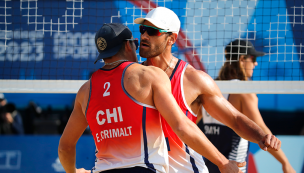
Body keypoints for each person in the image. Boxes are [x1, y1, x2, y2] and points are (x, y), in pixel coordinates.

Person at [58, 23, 250, 173]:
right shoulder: (148, 75)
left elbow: (65, 147)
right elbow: (181, 126)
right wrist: (223, 162)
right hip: (144, 169)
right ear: (128, 45)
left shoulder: (86, 90)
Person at [134, 7, 281, 173]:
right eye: (143, 29)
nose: (144, 36)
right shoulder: (133, 77)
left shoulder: (192, 79)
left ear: (171, 39)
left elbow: (234, 119)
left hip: (185, 169)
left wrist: (261, 136)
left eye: (153, 31)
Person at [198, 39, 295, 173]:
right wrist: (285, 163)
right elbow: (261, 130)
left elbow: (191, 123)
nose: (255, 63)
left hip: (207, 166)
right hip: (233, 167)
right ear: (242, 59)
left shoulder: (209, 87)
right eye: (253, 58)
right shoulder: (243, 92)